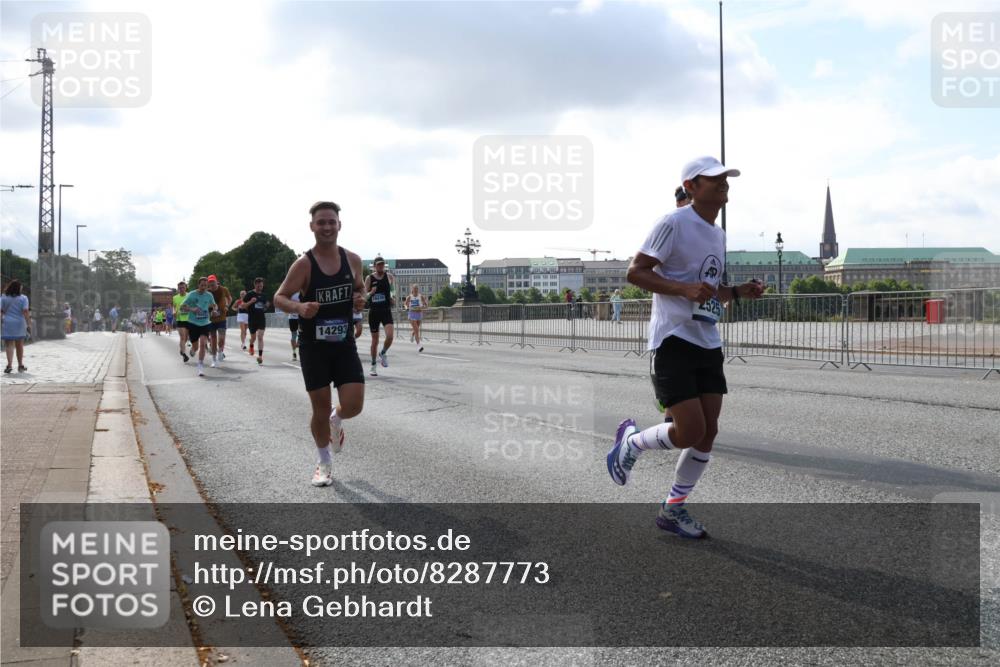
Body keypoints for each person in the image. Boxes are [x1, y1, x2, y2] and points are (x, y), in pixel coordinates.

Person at [607, 156, 763, 539]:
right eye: (714, 179)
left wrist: (737, 292)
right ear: (691, 186)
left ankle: (672, 509)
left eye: (725, 178)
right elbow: (635, 272)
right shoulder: (673, 223)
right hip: (673, 339)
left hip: (707, 340)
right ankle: (632, 442)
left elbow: (708, 290)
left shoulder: (718, 234)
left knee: (708, 432)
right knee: (690, 430)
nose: (723, 183)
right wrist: (682, 289)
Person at [274, 201, 366, 487]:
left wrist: (360, 300)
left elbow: (360, 288)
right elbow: (279, 297)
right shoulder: (304, 264)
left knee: (354, 405)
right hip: (314, 347)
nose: (327, 227)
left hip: (344, 343)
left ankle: (336, 419)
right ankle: (323, 462)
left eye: (331, 221)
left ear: (339, 225)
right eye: (321, 222)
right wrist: (299, 308)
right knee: (319, 408)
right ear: (312, 226)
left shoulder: (352, 260)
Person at [180, 277, 219, 377]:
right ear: (198, 285)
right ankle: (193, 349)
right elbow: (182, 307)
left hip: (205, 323)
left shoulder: (209, 295)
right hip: (193, 323)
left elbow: (214, 305)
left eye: (205, 285)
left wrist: (214, 310)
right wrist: (192, 309)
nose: (203, 287)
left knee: (202, 344)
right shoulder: (192, 294)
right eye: (202, 285)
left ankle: (200, 366)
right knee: (196, 347)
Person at [364, 257, 394, 376]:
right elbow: (364, 296)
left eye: (382, 264)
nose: (381, 266)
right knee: (375, 340)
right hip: (374, 312)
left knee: (390, 336)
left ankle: (383, 353)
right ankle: (373, 365)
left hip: (386, 311)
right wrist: (371, 293)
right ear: (375, 266)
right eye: (378, 265)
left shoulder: (389, 276)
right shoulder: (369, 278)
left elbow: (392, 291)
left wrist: (392, 297)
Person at [2, 280, 31, 373]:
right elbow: (25, 311)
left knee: (9, 345)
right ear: (19, 288)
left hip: (8, 323)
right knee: (19, 345)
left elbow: (1, 311)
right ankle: (20, 365)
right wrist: (28, 323)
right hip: (19, 323)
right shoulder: (23, 298)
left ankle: (9, 365)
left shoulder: (3, 297)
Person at [206, 275, 232, 367]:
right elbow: (204, 303)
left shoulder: (224, 289)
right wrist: (210, 311)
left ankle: (220, 351)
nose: (212, 284)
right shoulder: (207, 292)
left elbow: (229, 298)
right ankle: (214, 360)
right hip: (211, 319)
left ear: (216, 281)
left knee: (221, 338)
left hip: (222, 318)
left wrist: (227, 306)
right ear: (208, 284)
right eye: (210, 283)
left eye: (213, 282)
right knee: (213, 339)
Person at [244, 277, 269, 365]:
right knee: (253, 337)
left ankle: (260, 356)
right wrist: (251, 302)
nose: (260, 287)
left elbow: (265, 307)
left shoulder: (264, 295)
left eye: (261, 286)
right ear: (255, 285)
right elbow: (243, 306)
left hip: (261, 319)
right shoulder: (250, 294)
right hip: (252, 319)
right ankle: (251, 345)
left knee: (260, 337)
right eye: (258, 286)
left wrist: (266, 306)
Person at [404, 284, 427, 352]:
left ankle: (412, 334)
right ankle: (419, 346)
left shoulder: (421, 296)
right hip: (412, 314)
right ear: (412, 289)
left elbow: (425, 304)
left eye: (417, 288)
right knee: (417, 330)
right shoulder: (409, 297)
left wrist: (423, 307)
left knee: (417, 328)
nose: (416, 290)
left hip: (419, 313)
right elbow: (405, 304)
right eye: (415, 288)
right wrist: (407, 308)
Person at [173, 281, 191, 361]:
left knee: (186, 338)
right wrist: (174, 311)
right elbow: (174, 307)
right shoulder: (175, 297)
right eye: (180, 288)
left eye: (183, 287)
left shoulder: (189, 295)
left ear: (186, 288)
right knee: (182, 337)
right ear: (178, 289)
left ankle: (182, 349)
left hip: (189, 319)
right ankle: (184, 355)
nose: (181, 289)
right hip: (180, 319)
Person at [285, 291, 301, 360]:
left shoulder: (301, 293)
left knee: (299, 334)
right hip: (293, 318)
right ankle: (294, 353)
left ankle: (296, 348)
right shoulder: (291, 293)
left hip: (300, 317)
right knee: (294, 335)